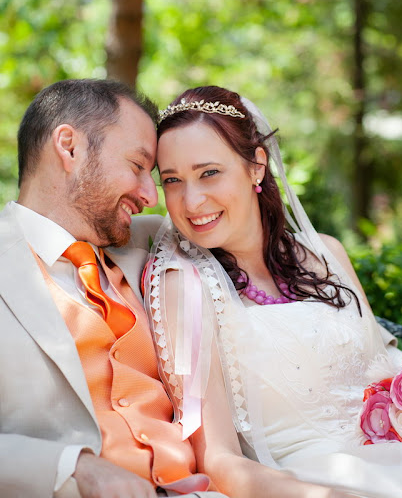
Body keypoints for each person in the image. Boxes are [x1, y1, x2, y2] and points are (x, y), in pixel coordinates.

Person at [145, 85, 402, 498]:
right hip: (311, 484)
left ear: (256, 166)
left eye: (209, 172)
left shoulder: (327, 252)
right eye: (172, 180)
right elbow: (218, 459)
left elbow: (387, 365)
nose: (192, 200)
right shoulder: (182, 288)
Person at [0, 79, 230, 498]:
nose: (150, 195)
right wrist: (76, 469)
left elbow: (240, 220)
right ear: (69, 147)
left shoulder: (150, 242)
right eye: (138, 166)